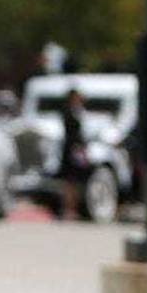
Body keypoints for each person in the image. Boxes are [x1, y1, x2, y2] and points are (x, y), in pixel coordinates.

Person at [57, 88, 87, 219]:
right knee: (69, 181)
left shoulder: (78, 111)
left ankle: (73, 208)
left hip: (76, 149)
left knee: (75, 181)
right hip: (71, 149)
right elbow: (72, 133)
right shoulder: (68, 112)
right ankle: (68, 209)